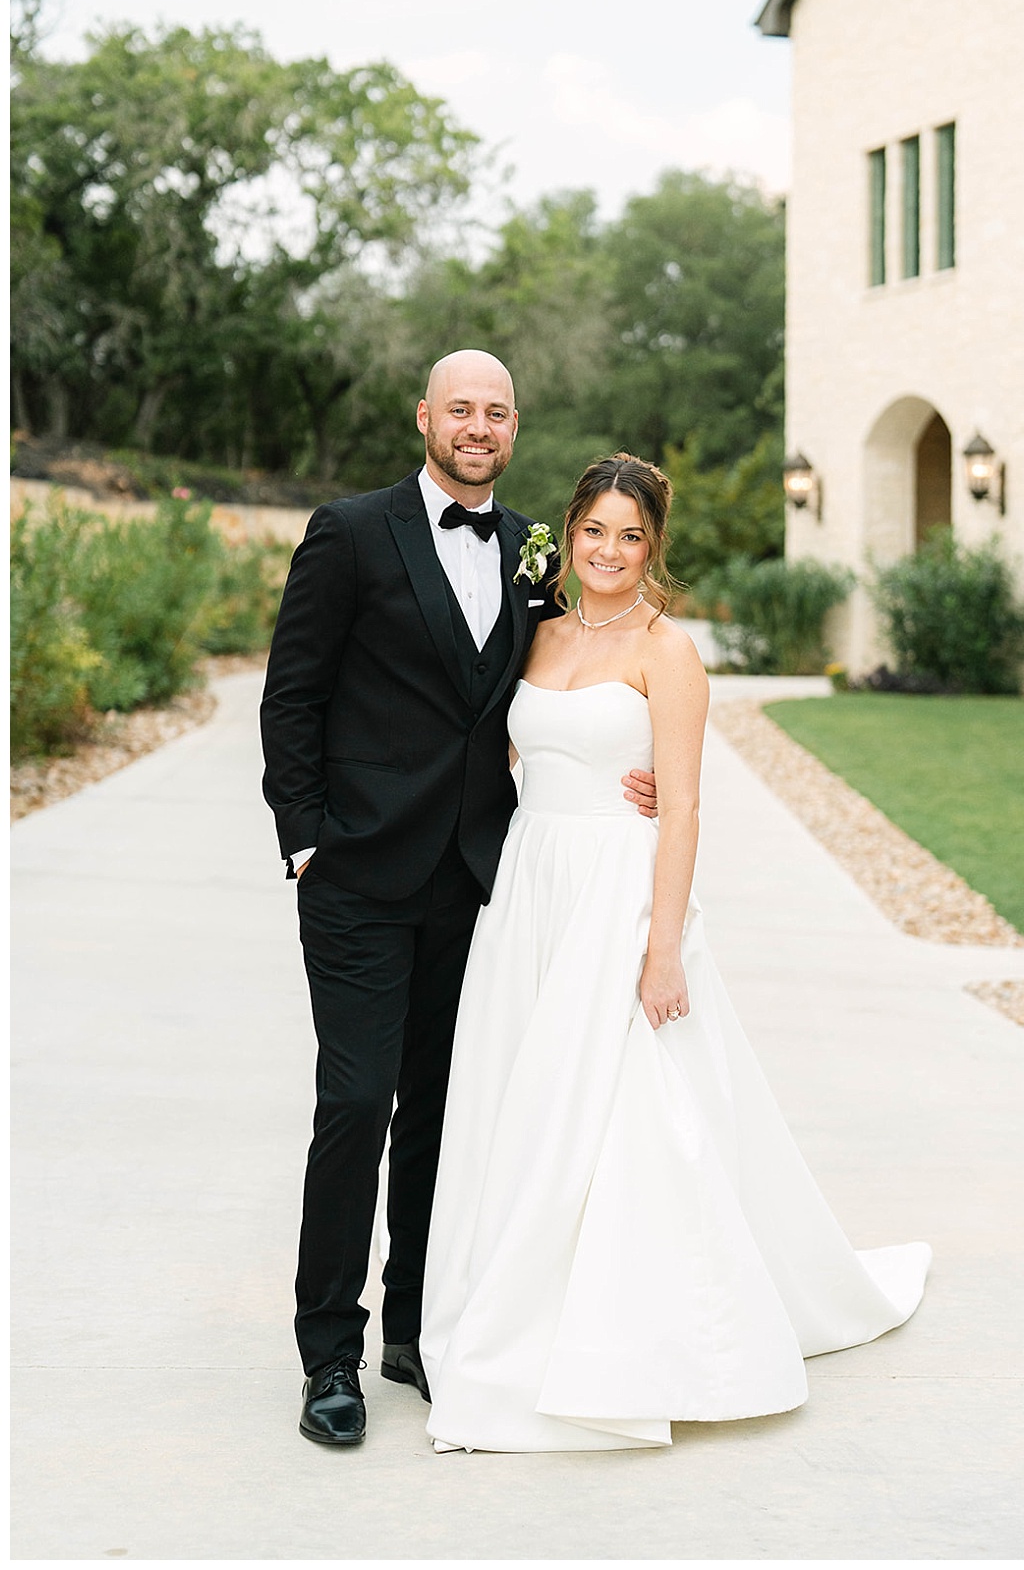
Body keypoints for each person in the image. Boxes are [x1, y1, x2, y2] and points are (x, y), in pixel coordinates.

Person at [420, 453, 932, 1453]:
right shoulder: (535, 633)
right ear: (568, 533)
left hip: (619, 888)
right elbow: (516, 751)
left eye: (631, 536)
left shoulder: (669, 650)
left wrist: (664, 945)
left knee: (617, 1114)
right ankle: (505, 1300)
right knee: (520, 1101)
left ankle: (615, 1339)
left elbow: (685, 800)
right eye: (595, 531)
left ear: (653, 547)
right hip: (533, 886)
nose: (609, 552)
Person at [259, 352, 657, 1447]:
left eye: (496, 412)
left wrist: (643, 760)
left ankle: (415, 1326)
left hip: (482, 886)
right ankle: (328, 1352)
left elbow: (584, 678)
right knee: (356, 1105)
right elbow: (292, 695)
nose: (476, 426)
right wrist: (304, 842)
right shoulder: (349, 532)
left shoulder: (539, 548)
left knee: (446, 1113)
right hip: (356, 879)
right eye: (459, 409)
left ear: (514, 427)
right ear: (425, 417)